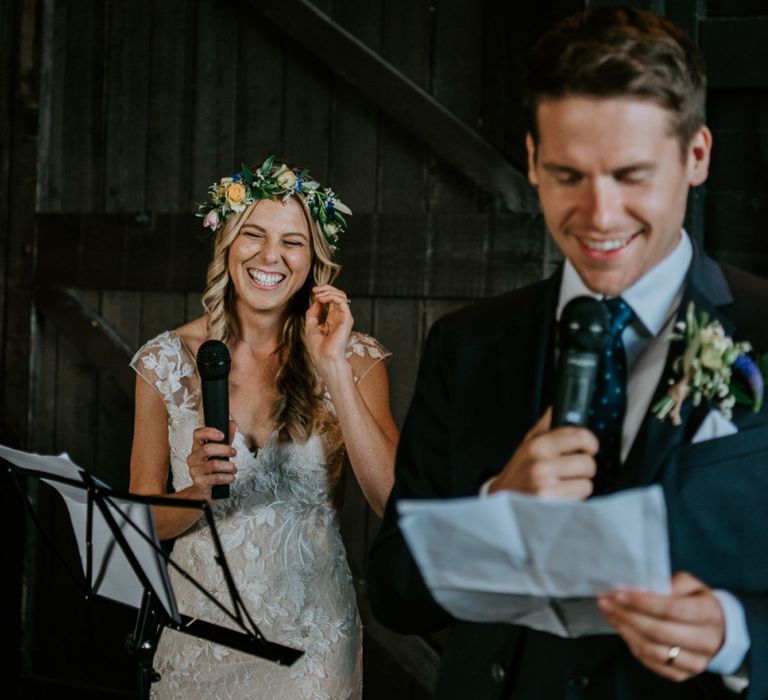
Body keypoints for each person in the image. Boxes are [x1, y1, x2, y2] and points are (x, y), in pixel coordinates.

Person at [368, 7, 768, 699]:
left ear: (696, 155)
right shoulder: (466, 345)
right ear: (531, 160)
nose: (600, 215)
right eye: (568, 175)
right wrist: (497, 509)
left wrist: (737, 632)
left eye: (632, 174)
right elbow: (396, 594)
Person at [129, 156, 398, 700]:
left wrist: (334, 370)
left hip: (312, 646)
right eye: (253, 234)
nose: (270, 256)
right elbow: (140, 523)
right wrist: (196, 491)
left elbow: (394, 500)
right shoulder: (165, 362)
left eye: (292, 241)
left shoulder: (356, 358)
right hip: (198, 639)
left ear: (313, 258)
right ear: (227, 243)